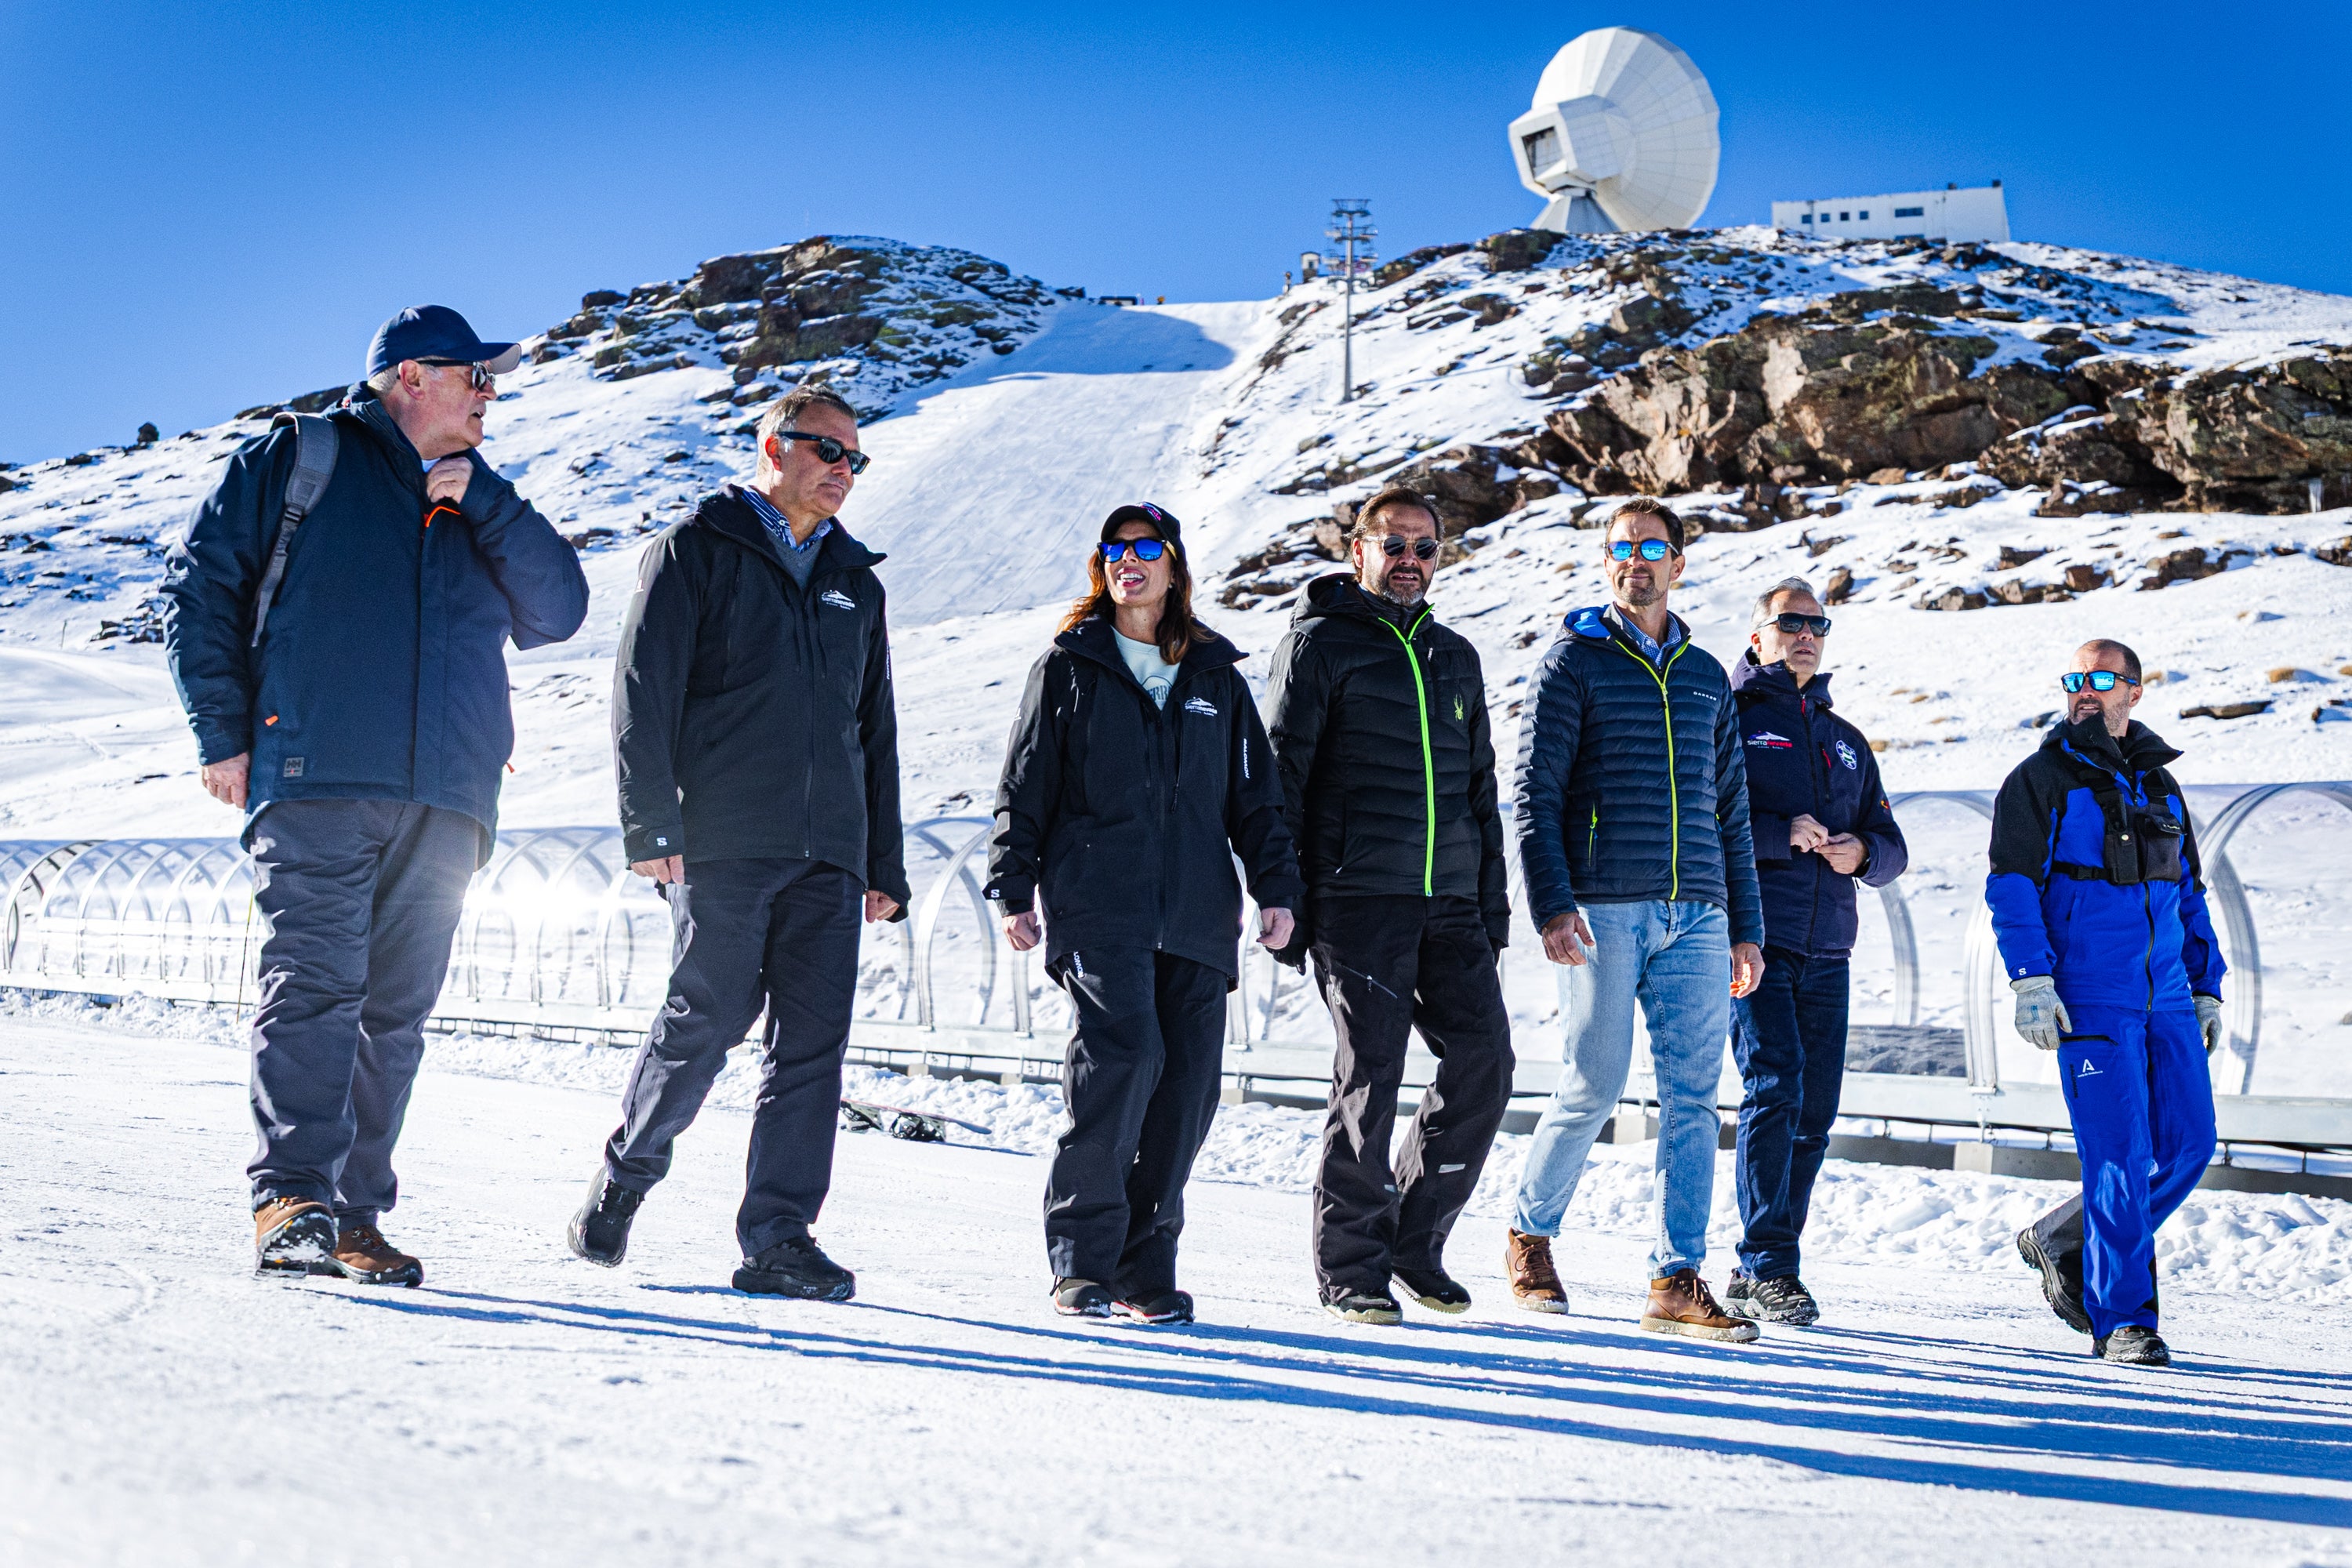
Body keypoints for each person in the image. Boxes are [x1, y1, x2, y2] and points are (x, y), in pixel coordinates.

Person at [160, 305, 590, 1284]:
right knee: (316, 987)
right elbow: (198, 589)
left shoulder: (482, 497)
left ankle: (353, 1214)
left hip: (449, 799)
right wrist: (222, 734)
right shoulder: (301, 457)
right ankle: (293, 1197)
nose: (490, 395)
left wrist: (489, 502)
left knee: (394, 1015)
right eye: (476, 376)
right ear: (413, 377)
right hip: (316, 777)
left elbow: (561, 610)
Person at [570, 385, 911, 1302]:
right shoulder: (697, 547)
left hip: (831, 850)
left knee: (812, 1048)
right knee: (706, 1021)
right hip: (723, 836)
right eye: (828, 450)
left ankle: (779, 1237)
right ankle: (627, 1173)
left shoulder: (856, 581)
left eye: (855, 457)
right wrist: (650, 821)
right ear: (774, 447)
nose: (845, 470)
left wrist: (882, 859)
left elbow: (873, 727)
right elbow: (643, 688)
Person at [985, 503, 1302, 1323]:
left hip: (1197, 913)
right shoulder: (1070, 667)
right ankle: (1082, 1262)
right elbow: (1026, 784)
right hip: (1100, 905)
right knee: (1122, 1062)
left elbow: (1256, 800)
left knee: (1187, 1090)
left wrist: (1277, 889)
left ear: (1173, 567)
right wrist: (1013, 886)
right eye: (1116, 549)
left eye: (1147, 548)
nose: (1130, 560)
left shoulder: (1215, 676)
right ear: (1103, 568)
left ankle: (1145, 1264)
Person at [1507, 496, 1765, 1341]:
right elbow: (1536, 795)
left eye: (1652, 548)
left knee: (1695, 1099)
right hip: (1603, 908)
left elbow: (1731, 808)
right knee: (1594, 1079)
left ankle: (1674, 1277)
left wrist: (1745, 925)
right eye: (1623, 548)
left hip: (1699, 915)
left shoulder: (1704, 674)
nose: (1636, 561)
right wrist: (1552, 903)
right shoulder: (1572, 662)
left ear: (1677, 563)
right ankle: (1530, 1233)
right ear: (1606, 561)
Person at [1265, 485, 1515, 1326]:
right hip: (1357, 897)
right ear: (1360, 552)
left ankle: (1413, 1240)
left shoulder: (1456, 656)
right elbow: (1282, 776)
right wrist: (1283, 896)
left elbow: (1480, 791)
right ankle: (1351, 1266)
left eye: (1424, 547)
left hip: (1451, 901)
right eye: (1394, 544)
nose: (1410, 560)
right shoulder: (1319, 645)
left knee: (1485, 1063)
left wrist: (1491, 909)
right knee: (1371, 1076)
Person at [1988, 639, 2223, 1368]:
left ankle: (2064, 1237)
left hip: (2168, 997)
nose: (2084, 690)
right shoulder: (2039, 779)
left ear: (2134, 691)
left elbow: (2188, 893)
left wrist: (2206, 984)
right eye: (2075, 679)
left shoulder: (2161, 784)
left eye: (2100, 678)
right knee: (2120, 1158)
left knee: (2190, 1147)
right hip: (2091, 997)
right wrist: (2032, 979)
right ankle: (2122, 1320)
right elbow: (2012, 885)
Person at [1722, 579, 1908, 1326]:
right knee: (1775, 1089)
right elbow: (1699, 820)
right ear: (1758, 636)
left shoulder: (1846, 739)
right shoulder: (1728, 718)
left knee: (1815, 1111)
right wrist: (1779, 834)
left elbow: (1892, 847)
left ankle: (1757, 1264)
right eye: (1790, 622)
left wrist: (1862, 852)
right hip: (1755, 940)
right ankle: (1770, 1264)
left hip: (1829, 947)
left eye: (1817, 624)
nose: (1805, 634)